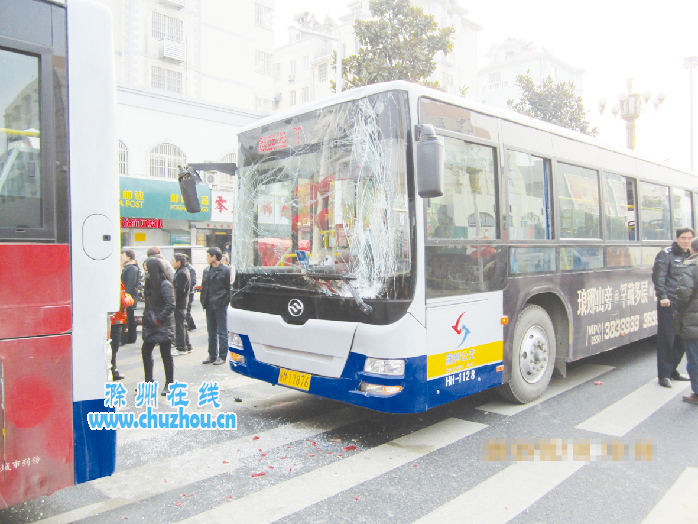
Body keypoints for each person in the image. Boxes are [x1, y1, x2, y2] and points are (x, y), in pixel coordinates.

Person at [652, 227, 694, 387]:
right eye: (683, 238)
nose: (686, 241)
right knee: (667, 339)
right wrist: (662, 296)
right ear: (677, 238)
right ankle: (664, 375)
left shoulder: (692, 255)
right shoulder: (666, 254)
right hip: (669, 303)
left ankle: (673, 370)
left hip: (686, 304)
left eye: (689, 238)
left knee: (683, 339)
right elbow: (659, 277)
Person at [141, 256, 176, 396]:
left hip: (162, 324)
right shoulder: (150, 283)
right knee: (146, 351)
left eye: (147, 269)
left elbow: (170, 304)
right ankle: (148, 381)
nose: (146, 273)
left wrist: (159, 319)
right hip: (150, 324)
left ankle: (169, 383)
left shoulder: (165, 284)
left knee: (165, 354)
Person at [672, 237, 698, 404]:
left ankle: (697, 393)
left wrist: (678, 309)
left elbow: (683, 293)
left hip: (692, 320)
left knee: (694, 359)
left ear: (692, 249)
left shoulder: (690, 266)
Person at [200, 246, 231, 365]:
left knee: (222, 332)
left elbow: (229, 289)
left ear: (214, 256)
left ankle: (222, 356)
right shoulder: (207, 270)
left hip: (220, 305)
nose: (207, 258)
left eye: (208, 256)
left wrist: (224, 302)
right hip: (209, 304)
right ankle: (212, 355)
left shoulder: (226, 270)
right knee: (211, 332)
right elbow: (204, 287)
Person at [110, 281, 134, 381]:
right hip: (117, 318)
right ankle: (113, 371)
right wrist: (130, 299)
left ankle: (112, 370)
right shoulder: (117, 282)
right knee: (114, 347)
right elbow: (123, 302)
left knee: (112, 347)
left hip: (113, 318)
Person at [172, 253, 191, 356]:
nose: (172, 262)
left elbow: (179, 290)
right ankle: (187, 345)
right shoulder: (182, 271)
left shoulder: (182, 273)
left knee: (180, 326)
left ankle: (181, 347)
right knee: (183, 324)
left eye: (173, 260)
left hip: (180, 302)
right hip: (182, 302)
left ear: (178, 262)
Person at [120, 250, 140, 344]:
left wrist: (126, 296)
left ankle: (129, 337)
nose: (121, 257)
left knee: (129, 318)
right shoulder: (127, 267)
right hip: (127, 297)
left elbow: (130, 284)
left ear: (129, 257)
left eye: (123, 255)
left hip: (129, 297)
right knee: (128, 317)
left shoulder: (131, 268)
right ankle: (129, 337)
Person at [185, 254, 197, 333]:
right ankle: (192, 325)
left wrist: (186, 287)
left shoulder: (190, 269)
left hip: (189, 292)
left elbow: (193, 281)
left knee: (187, 310)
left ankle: (189, 325)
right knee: (187, 309)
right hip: (186, 292)